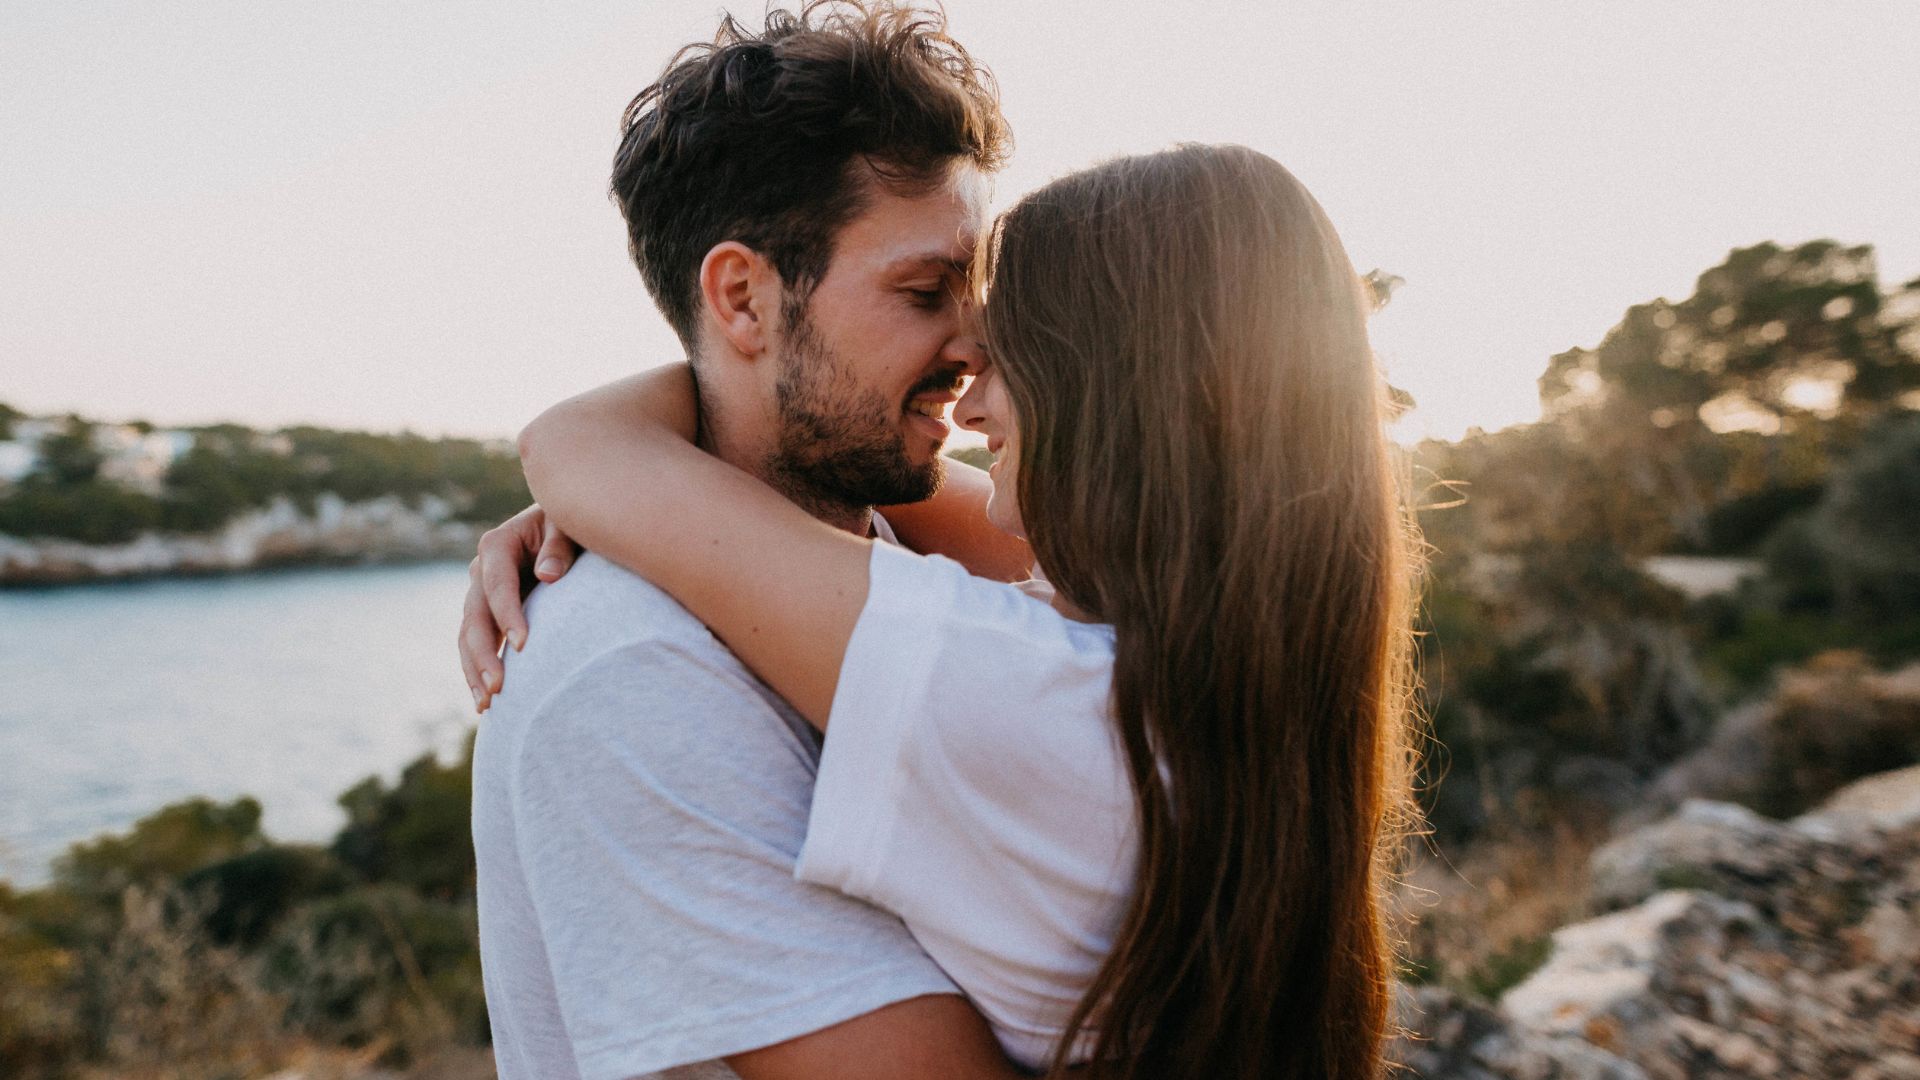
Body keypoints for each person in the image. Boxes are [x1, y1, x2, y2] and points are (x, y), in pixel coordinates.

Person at [467, 144, 1423, 1079]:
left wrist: (647, 462)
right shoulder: (1226, 665)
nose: (970, 387)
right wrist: (659, 474)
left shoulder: (1035, 692)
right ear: (742, 296)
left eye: (1010, 348)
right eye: (929, 296)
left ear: (1117, 404)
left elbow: (576, 443)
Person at [461, 4, 1036, 1079]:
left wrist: (600, 451)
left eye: (981, 286)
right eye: (925, 290)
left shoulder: (921, 559)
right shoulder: (635, 675)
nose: (977, 341)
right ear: (743, 299)